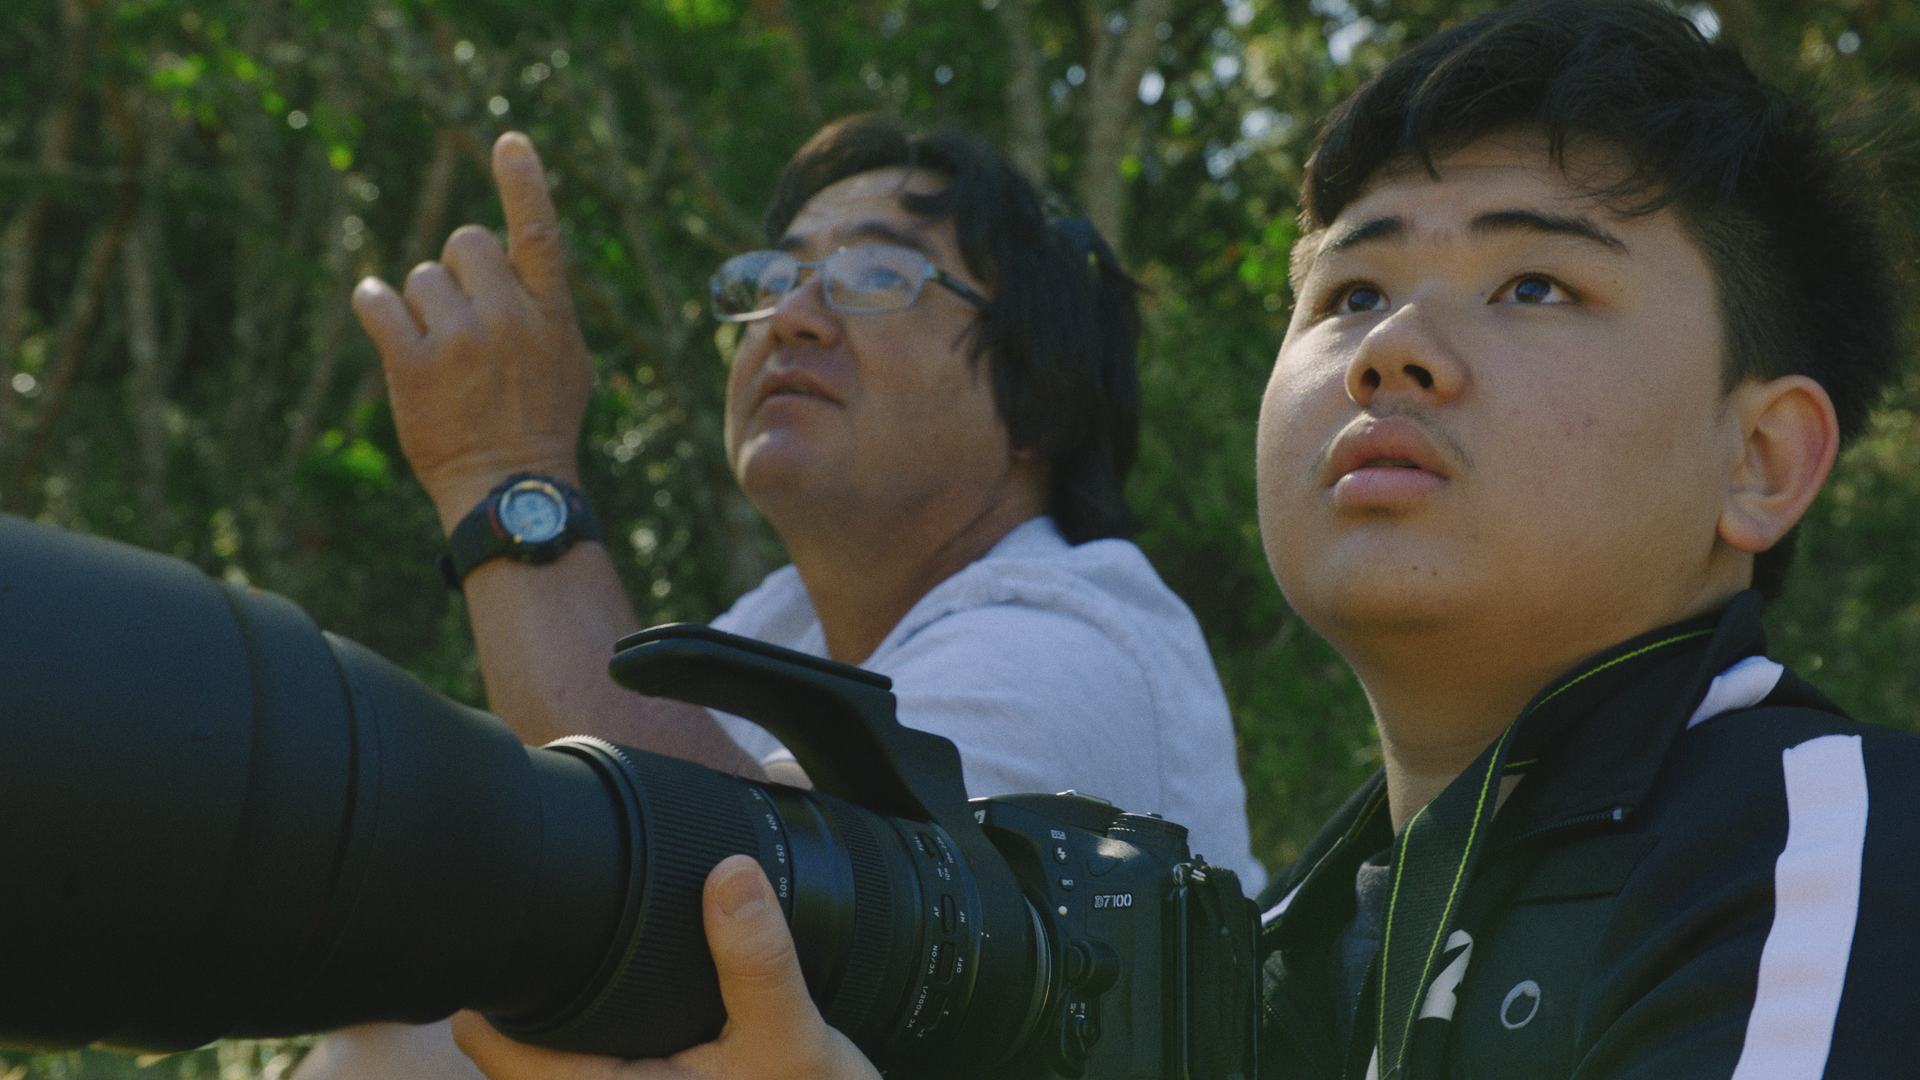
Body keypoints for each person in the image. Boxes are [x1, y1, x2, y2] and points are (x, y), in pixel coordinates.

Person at [445, 1, 1920, 1078]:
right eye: (1349, 294)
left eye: (1535, 285)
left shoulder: (1821, 851)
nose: (1394, 348)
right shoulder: (1297, 953)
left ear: (1761, 460)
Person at [292, 115, 1262, 1080]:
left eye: (877, 275)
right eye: (773, 280)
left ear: (1038, 394)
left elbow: (730, 919)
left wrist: (508, 472)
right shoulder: (782, 621)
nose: (792, 315)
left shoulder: (1077, 641)